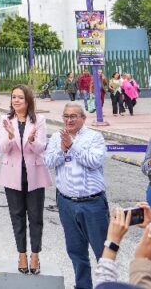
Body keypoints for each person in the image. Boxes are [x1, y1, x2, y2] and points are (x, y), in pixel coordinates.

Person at [44, 102, 108, 289]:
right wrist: (63, 150)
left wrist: (72, 146)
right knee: (76, 251)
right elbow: (48, 162)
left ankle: (107, 285)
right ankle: (83, 285)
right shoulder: (57, 137)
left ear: (83, 118)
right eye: (66, 116)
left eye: (73, 116)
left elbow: (94, 161)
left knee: (103, 253)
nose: (69, 120)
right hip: (66, 203)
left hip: (92, 204)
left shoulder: (95, 137)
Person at [0, 85, 50, 275]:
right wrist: (11, 136)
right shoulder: (5, 120)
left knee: (36, 217)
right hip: (12, 176)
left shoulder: (39, 120)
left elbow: (41, 148)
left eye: (20, 97)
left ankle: (35, 255)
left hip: (34, 174)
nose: (16, 100)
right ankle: (21, 254)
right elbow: (3, 148)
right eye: (14, 97)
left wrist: (32, 141)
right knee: (17, 216)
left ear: (28, 100)